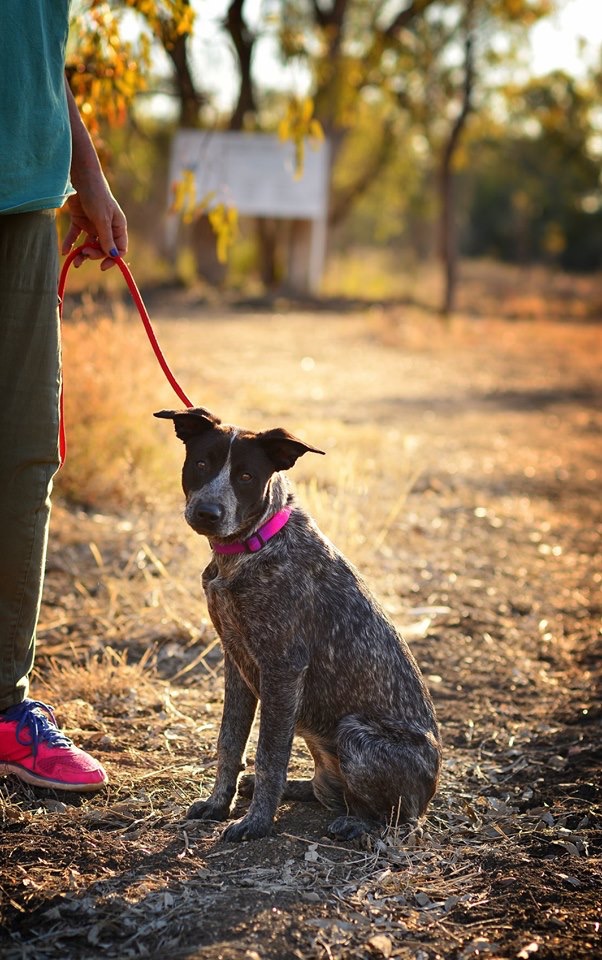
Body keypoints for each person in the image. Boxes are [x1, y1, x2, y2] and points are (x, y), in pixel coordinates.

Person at [0, 1, 128, 791]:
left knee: (24, 456)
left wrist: (89, 175)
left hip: (27, 202)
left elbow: (41, 52)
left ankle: (3, 708)